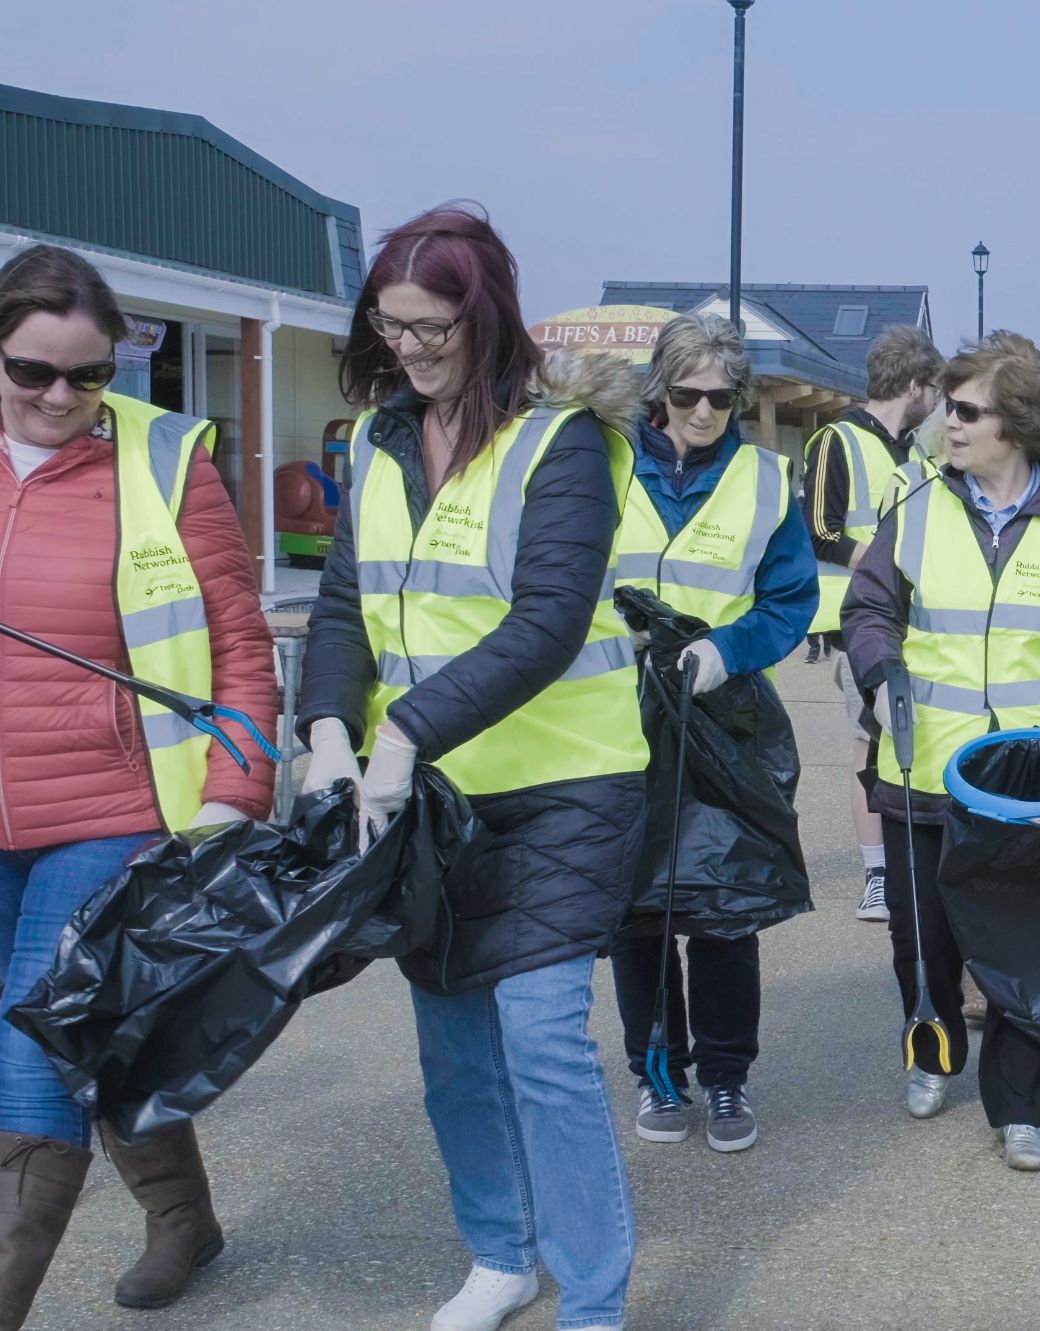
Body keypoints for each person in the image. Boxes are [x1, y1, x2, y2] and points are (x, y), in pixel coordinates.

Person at [297, 206, 645, 1331]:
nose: (412, 349)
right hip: (435, 804)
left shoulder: (565, 442)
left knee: (542, 1041)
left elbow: (548, 621)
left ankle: (593, 1301)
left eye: (434, 326)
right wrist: (327, 732)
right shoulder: (377, 442)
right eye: (392, 327)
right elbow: (348, 605)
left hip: (566, 788)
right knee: (450, 1047)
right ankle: (502, 1255)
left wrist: (402, 735)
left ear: (484, 313)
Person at [0, 245, 274, 1328]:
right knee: (109, 1039)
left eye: (91, 375)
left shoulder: (164, 460)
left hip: (111, 811)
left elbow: (240, 644)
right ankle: (185, 1222)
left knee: (33, 1059)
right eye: (32, 372)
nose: (62, 397)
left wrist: (232, 796)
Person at [840, 331, 1040, 1173]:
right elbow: (868, 610)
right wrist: (876, 670)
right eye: (948, 409)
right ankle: (930, 1053)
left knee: (1029, 946)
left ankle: (1024, 1105)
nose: (948, 423)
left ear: (1017, 424)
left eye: (966, 411)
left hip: (1026, 781)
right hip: (921, 767)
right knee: (923, 939)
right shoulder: (920, 504)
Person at [611, 314, 818, 1155]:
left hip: (723, 718)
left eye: (722, 398)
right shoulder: (602, 461)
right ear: (660, 389)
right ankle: (657, 1069)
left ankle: (727, 1076)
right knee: (637, 908)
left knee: (726, 904)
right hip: (616, 713)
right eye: (689, 394)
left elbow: (790, 602)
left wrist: (725, 651)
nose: (704, 412)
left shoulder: (767, 480)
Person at [805, 327, 945, 924]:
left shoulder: (912, 450)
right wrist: (889, 559)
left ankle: (907, 862)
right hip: (855, 618)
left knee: (906, 742)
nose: (939, 401)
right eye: (934, 388)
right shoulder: (835, 439)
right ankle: (876, 877)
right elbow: (820, 530)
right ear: (914, 385)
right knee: (867, 746)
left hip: (910, 620)